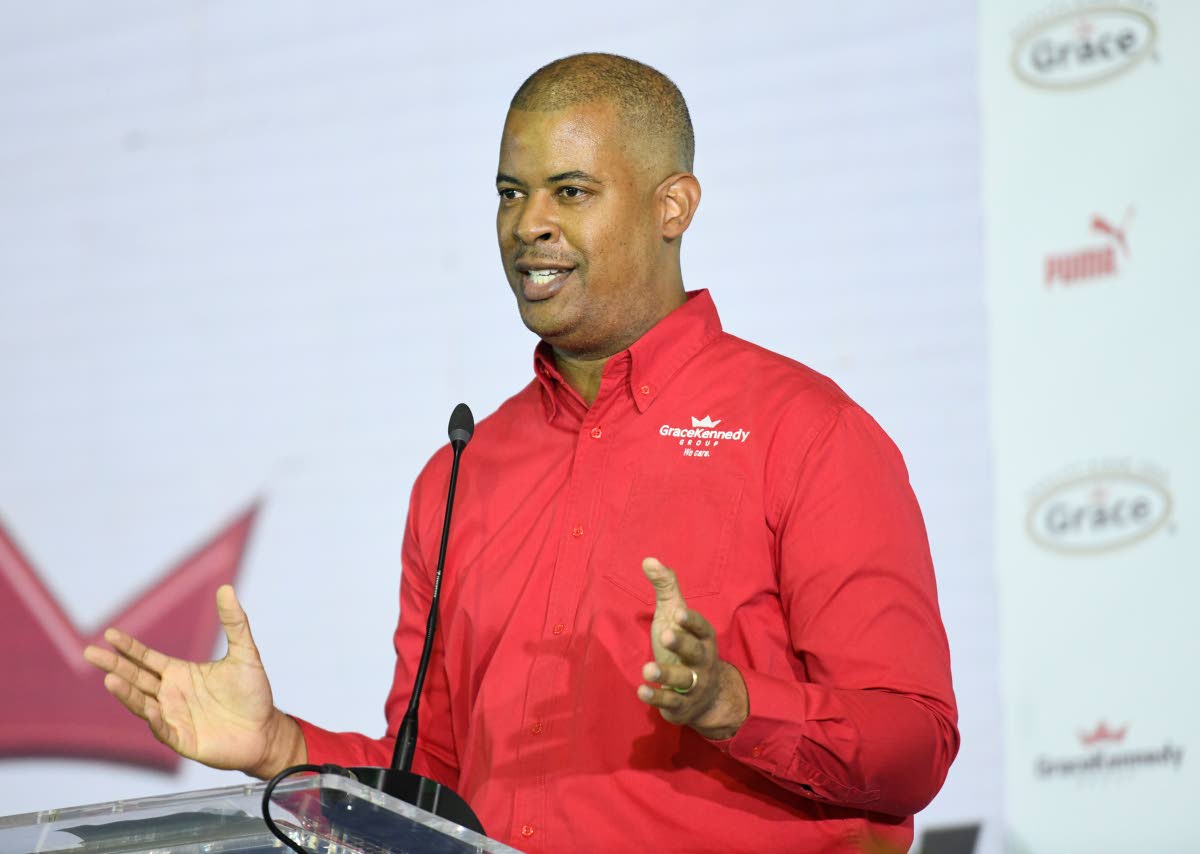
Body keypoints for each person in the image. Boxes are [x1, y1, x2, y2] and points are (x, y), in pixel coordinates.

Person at [85, 53, 958, 853]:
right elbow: (435, 788)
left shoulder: (805, 431)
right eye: (510, 193)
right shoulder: (460, 474)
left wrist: (731, 705)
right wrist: (279, 747)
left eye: (569, 191)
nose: (528, 224)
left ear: (672, 205)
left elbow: (913, 744)